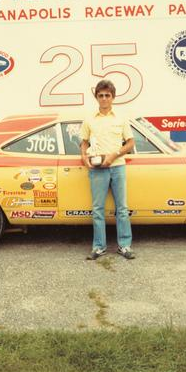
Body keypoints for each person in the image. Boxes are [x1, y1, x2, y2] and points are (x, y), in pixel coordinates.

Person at [80, 80, 135, 260]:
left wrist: (114, 155)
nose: (104, 99)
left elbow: (130, 143)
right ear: (96, 97)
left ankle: (125, 246)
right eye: (101, 95)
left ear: (113, 97)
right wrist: (83, 157)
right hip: (97, 169)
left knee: (122, 208)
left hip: (117, 166)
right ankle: (99, 247)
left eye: (107, 95)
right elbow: (84, 142)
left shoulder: (121, 118)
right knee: (97, 209)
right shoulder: (89, 119)